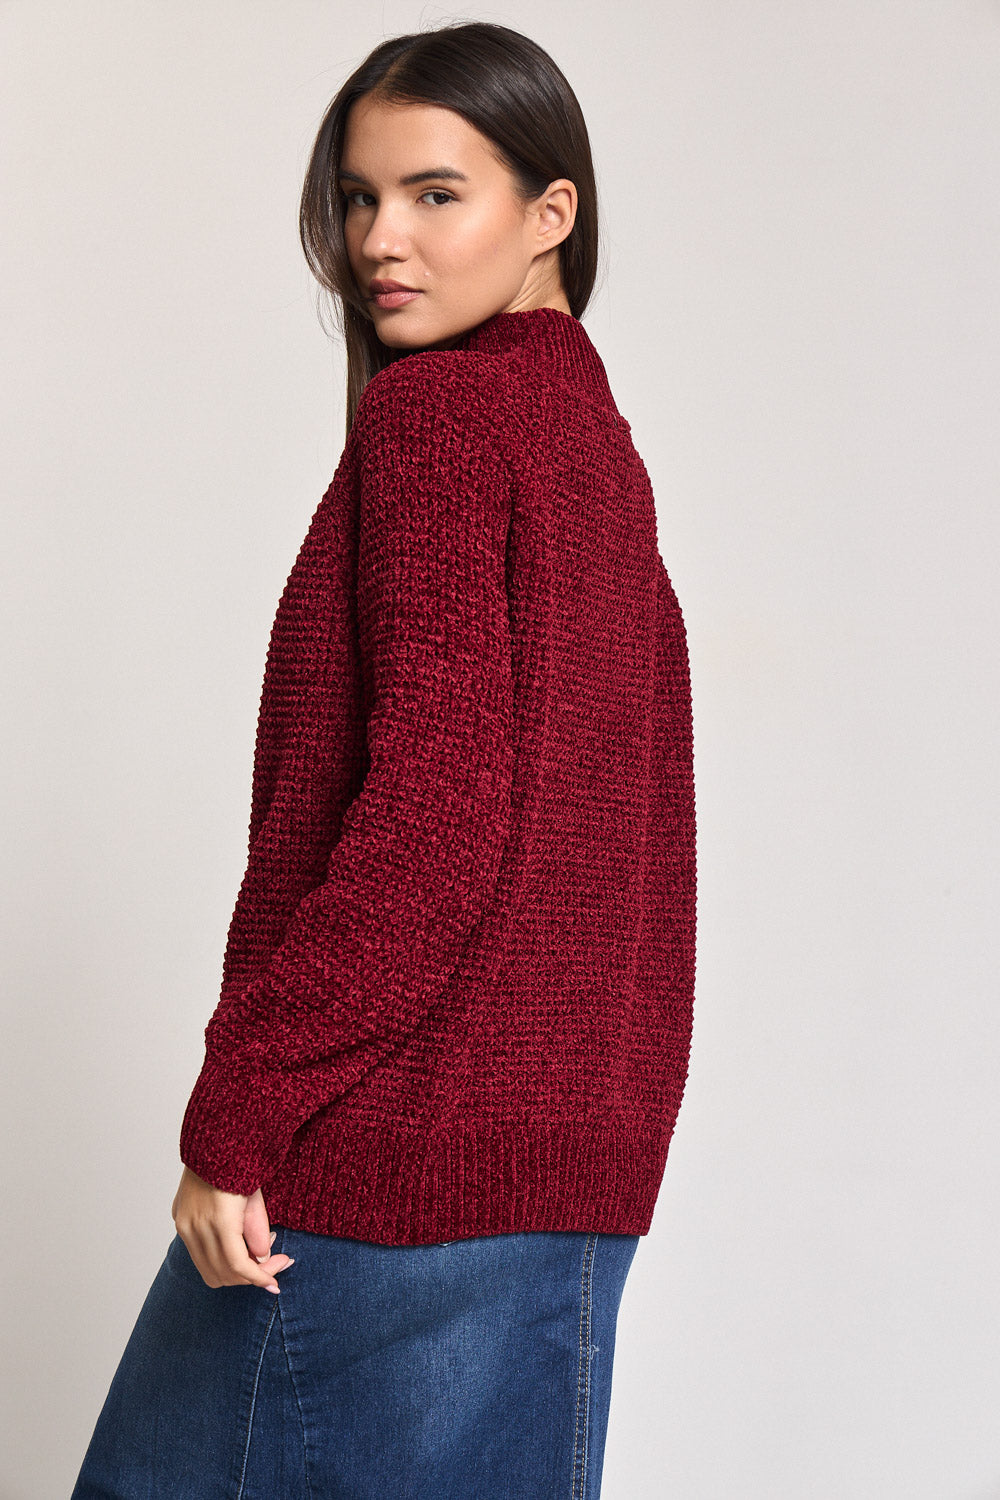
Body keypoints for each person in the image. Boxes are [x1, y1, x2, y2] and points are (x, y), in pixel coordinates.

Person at [71, 20, 696, 1499]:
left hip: (387, 1166)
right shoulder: (590, 443)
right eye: (359, 198)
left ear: (551, 213)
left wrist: (239, 1112)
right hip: (566, 1175)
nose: (378, 241)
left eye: (434, 194)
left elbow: (435, 819)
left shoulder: (441, 420)